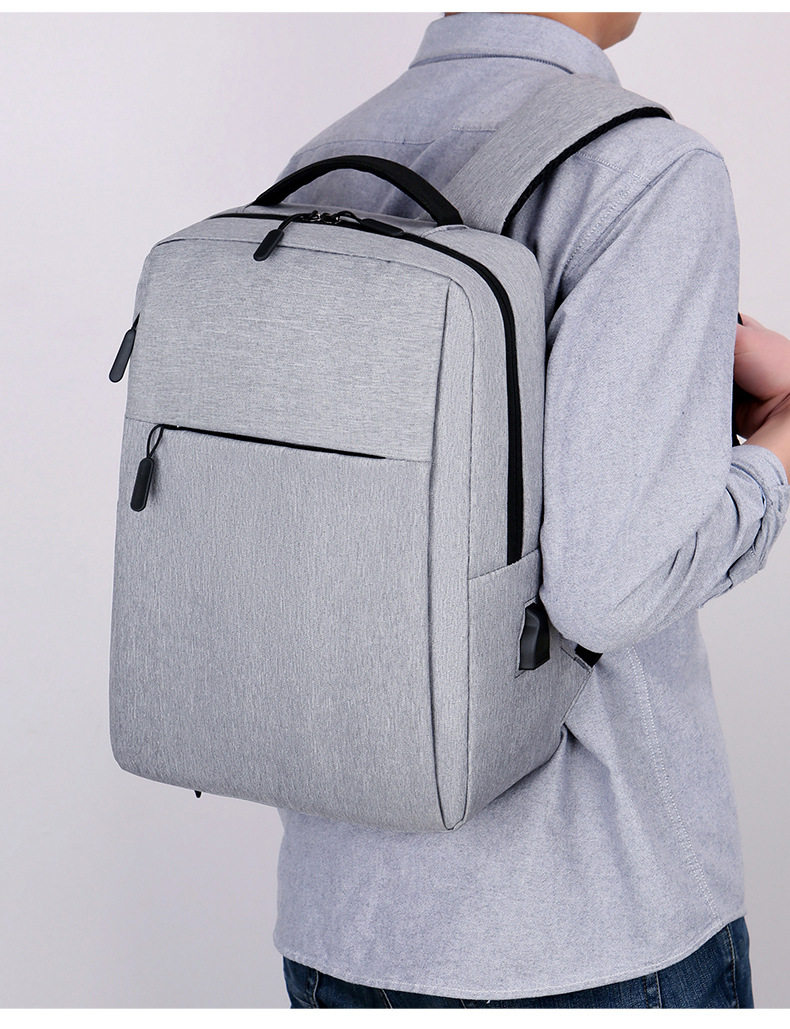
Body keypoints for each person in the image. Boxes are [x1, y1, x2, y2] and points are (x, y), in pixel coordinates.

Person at [271, 12, 790, 1008]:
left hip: (341, 917)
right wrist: (773, 461)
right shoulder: (644, 171)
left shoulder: (325, 163)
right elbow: (606, 585)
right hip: (582, 928)